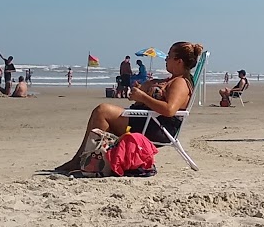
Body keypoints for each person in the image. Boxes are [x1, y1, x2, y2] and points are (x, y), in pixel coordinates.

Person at [56, 41, 203, 174]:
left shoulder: (180, 83)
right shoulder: (172, 80)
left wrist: (142, 97)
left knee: (102, 111)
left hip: (156, 128)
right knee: (104, 115)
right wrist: (142, 93)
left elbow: (169, 110)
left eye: (169, 56)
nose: (166, 59)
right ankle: (96, 161)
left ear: (179, 61)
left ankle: (84, 160)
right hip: (148, 121)